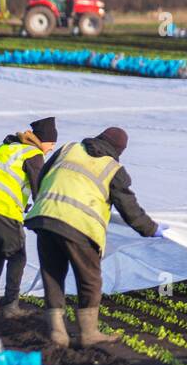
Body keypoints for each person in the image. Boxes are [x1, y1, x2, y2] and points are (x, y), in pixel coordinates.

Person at [25, 126, 165, 348]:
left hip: (45, 217)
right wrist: (151, 229)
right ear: (119, 149)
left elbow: (43, 175)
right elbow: (129, 208)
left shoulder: (69, 148)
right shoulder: (113, 169)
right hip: (78, 226)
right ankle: (88, 333)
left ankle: (57, 333)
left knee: (52, 274)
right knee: (89, 279)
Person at [0, 116, 57, 318]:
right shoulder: (33, 154)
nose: (51, 148)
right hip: (1, 208)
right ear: (43, 140)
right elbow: (39, 189)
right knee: (18, 256)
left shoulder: (9, 147)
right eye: (51, 144)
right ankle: (10, 305)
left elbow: (5, 178)